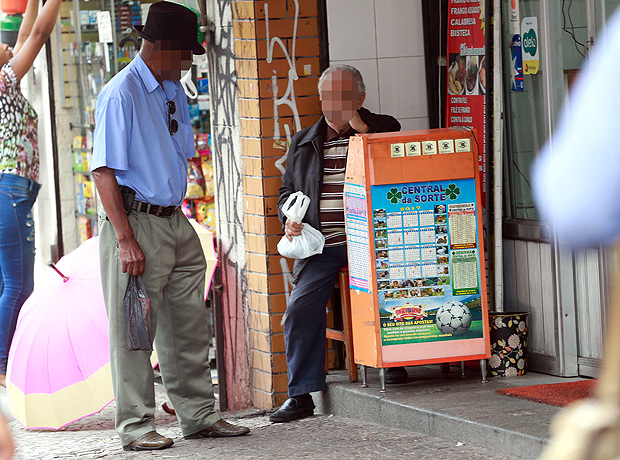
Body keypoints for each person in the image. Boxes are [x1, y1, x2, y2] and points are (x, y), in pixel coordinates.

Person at [91, 1, 249, 451]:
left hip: (174, 221)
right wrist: (124, 240)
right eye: (183, 53)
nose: (188, 62)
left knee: (187, 327)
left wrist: (186, 221)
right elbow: (103, 171)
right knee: (134, 331)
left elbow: (177, 154)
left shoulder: (172, 90)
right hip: (135, 224)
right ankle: (137, 427)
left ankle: (198, 417)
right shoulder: (121, 93)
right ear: (158, 47)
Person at [271, 64, 402, 423]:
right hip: (323, 245)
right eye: (328, 96)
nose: (334, 104)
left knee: (394, 286)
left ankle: (393, 362)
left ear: (360, 99)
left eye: (344, 97)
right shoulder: (304, 140)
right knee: (299, 309)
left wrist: (363, 131)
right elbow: (286, 191)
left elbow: (396, 162)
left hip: (373, 242)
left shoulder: (384, 128)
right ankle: (301, 395)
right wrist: (289, 217)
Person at [0, 0, 62, 386]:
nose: (6, 43)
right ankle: (4, 366)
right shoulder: (3, 80)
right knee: (19, 283)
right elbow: (37, 36)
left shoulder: (6, 81)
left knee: (9, 281)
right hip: (9, 191)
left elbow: (24, 33)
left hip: (10, 191)